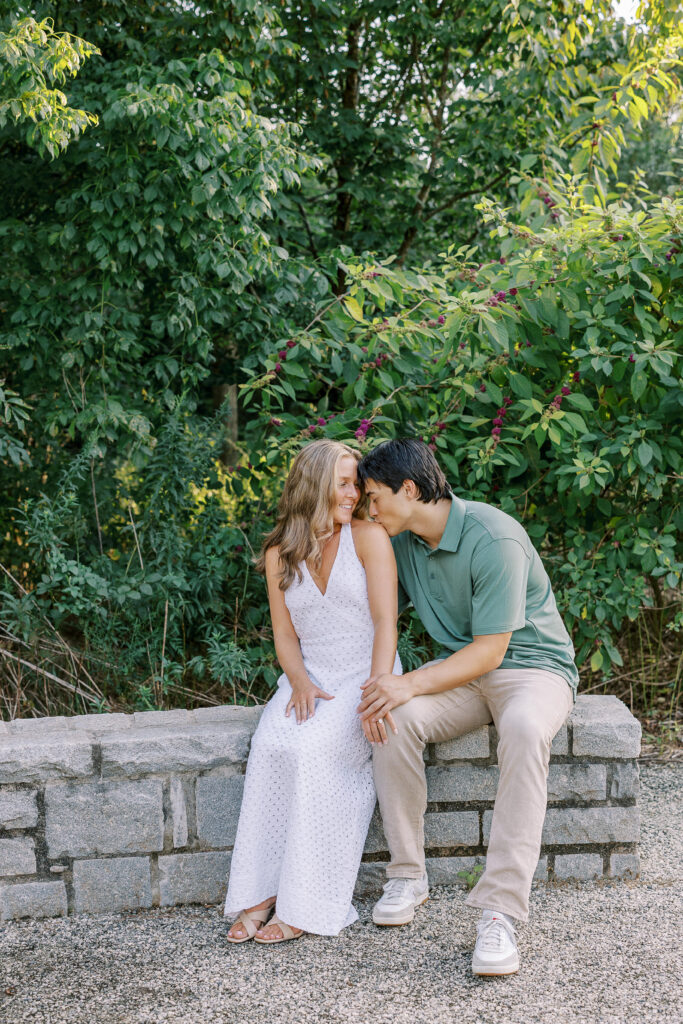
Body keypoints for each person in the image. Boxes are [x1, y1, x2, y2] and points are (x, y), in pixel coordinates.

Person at [356, 438, 578, 976]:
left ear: (409, 490)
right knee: (392, 718)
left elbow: (492, 650)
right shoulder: (401, 539)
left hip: (533, 669)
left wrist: (407, 682)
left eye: (374, 496)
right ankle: (408, 874)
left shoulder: (492, 535)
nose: (368, 508)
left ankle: (499, 913)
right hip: (466, 677)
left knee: (524, 729)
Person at [223, 439, 401, 943]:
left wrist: (376, 690)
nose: (355, 492)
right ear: (315, 486)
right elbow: (284, 635)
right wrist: (299, 679)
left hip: (366, 671)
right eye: (344, 483)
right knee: (271, 745)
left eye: (356, 483)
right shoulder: (280, 551)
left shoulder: (369, 538)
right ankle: (259, 894)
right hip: (309, 675)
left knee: (314, 750)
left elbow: (387, 622)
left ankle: (307, 903)